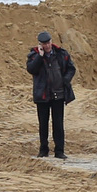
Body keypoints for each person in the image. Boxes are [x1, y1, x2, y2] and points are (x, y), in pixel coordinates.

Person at [26, 31, 76, 159]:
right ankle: (43, 150)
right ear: (40, 44)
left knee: (58, 124)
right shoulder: (34, 55)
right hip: (42, 95)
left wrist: (65, 80)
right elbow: (31, 69)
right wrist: (40, 56)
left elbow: (71, 68)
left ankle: (59, 151)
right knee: (43, 124)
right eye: (44, 44)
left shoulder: (61, 53)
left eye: (48, 43)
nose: (47, 46)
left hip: (58, 95)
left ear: (51, 41)